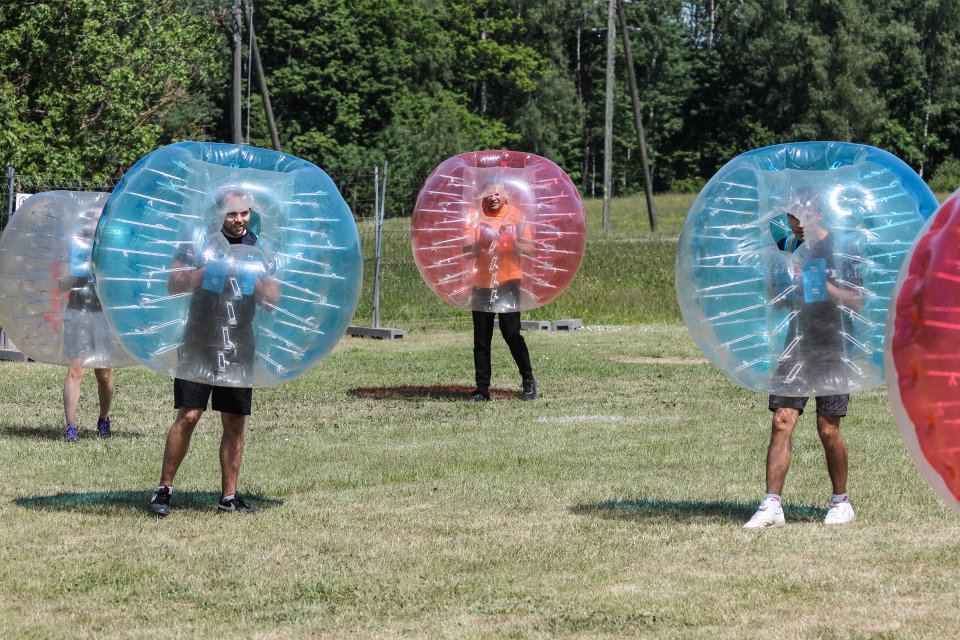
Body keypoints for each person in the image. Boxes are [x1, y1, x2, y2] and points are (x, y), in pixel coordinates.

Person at [149, 187, 279, 517]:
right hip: (199, 338)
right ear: (219, 215)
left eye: (244, 213)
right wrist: (210, 270)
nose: (238, 220)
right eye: (231, 214)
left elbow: (272, 299)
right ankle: (164, 490)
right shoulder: (200, 242)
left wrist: (250, 275)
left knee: (234, 420)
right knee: (189, 414)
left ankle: (229, 497)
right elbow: (173, 284)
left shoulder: (260, 246)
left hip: (238, 342)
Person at [744, 188, 862, 529]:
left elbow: (856, 301)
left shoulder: (841, 249)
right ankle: (772, 505)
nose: (794, 224)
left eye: (800, 217)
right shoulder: (789, 250)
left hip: (833, 345)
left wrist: (824, 288)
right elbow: (779, 303)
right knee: (782, 419)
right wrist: (778, 277)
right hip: (796, 342)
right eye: (791, 217)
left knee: (828, 429)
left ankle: (841, 501)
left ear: (818, 215)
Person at [464, 186, 537, 402]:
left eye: (498, 193)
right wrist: (480, 244)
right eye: (489, 193)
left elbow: (531, 249)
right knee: (482, 339)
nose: (493, 198)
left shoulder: (517, 216)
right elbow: (466, 251)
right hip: (482, 284)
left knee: (511, 333)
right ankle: (482, 389)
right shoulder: (474, 216)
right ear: (482, 196)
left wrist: (512, 242)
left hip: (508, 281)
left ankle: (529, 380)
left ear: (506, 196)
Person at [60, 204, 114, 442]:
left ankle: (104, 418)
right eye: (92, 217)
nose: (95, 222)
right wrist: (80, 270)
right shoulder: (74, 247)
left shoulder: (110, 248)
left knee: (103, 373)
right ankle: (70, 426)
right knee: (75, 370)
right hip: (76, 310)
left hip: (101, 312)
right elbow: (62, 283)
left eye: (100, 218)